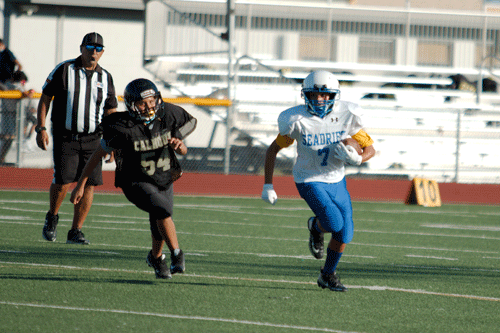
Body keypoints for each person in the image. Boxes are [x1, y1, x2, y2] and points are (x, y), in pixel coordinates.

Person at [70, 78, 197, 279]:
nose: (148, 106)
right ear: (131, 104)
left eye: (151, 101)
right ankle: (177, 254)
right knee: (162, 210)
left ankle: (156, 258)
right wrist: (81, 184)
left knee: (160, 218)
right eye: (142, 103)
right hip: (135, 179)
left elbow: (184, 143)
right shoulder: (122, 126)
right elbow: (96, 155)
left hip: (163, 176)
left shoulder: (167, 115)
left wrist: (180, 146)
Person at [261, 70, 376, 292]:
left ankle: (327, 275)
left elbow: (370, 148)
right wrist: (268, 184)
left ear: (334, 96)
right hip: (309, 179)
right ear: (306, 95)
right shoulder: (296, 120)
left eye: (325, 95)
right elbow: (272, 150)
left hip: (337, 180)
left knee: (345, 234)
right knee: (333, 224)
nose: (320, 99)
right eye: (314, 95)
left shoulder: (346, 115)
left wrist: (359, 158)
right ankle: (315, 226)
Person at [37, 32, 118, 244]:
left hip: (94, 138)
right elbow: (46, 97)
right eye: (90, 47)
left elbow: (111, 111)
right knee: (63, 181)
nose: (94, 52)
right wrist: (41, 127)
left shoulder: (106, 77)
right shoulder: (64, 70)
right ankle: (52, 216)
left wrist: (113, 143)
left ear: (103, 52)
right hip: (67, 136)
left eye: (98, 48)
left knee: (90, 184)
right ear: (81, 48)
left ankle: (75, 230)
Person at [0, 70, 32, 164]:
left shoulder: (7, 85)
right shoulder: (15, 85)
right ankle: (17, 161)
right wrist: (30, 92)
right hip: (12, 115)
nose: (23, 84)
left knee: (9, 138)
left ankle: (2, 158)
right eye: (23, 81)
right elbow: (26, 94)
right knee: (9, 137)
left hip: (10, 114)